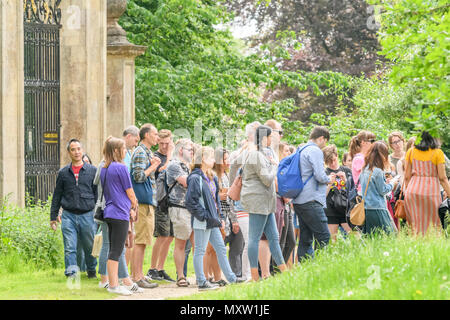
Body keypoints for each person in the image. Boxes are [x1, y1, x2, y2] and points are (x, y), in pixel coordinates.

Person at [185, 146, 240, 290]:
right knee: (200, 250)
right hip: (202, 221)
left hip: (213, 220)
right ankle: (202, 282)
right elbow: (191, 202)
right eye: (210, 157)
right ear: (202, 159)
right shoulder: (195, 177)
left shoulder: (211, 177)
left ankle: (232, 279)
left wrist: (220, 216)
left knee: (221, 249)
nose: (214, 160)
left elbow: (216, 200)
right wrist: (204, 216)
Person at [241, 125, 287, 281]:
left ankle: (284, 271)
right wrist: (276, 165)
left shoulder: (261, 154)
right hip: (258, 202)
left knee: (274, 238)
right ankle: (255, 276)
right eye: (269, 137)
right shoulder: (255, 155)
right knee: (254, 238)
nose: (271, 140)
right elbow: (267, 180)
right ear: (264, 138)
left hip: (266, 203)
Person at [50, 139, 98, 279]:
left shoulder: (92, 171)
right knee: (70, 247)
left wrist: (98, 214)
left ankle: (91, 271)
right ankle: (71, 273)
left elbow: (97, 195)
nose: (76, 152)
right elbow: (57, 196)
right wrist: (53, 217)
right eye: (73, 149)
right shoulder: (63, 172)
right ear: (69, 152)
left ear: (82, 150)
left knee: (89, 246)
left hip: (88, 215)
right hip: (68, 215)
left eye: (78, 149)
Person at [99, 137, 141, 295]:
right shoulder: (121, 167)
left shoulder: (105, 167)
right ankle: (114, 285)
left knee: (113, 248)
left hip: (109, 211)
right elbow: (129, 191)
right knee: (116, 250)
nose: (126, 151)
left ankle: (114, 283)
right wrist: (135, 204)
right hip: (120, 212)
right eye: (123, 149)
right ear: (116, 151)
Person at [292, 126, 334, 262]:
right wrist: (330, 179)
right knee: (324, 236)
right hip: (311, 199)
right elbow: (320, 176)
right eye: (325, 142)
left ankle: (306, 267)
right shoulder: (315, 150)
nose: (324, 145)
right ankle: (322, 266)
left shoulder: (301, 149)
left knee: (305, 237)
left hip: (299, 199)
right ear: (321, 138)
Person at [228, 121, 261, 281]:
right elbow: (233, 169)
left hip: (256, 204)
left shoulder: (259, 151)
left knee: (254, 240)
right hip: (243, 204)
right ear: (250, 135)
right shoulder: (242, 153)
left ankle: (254, 273)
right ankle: (249, 275)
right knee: (249, 240)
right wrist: (233, 188)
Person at [129, 124, 161, 288]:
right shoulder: (141, 152)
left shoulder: (146, 152)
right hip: (142, 203)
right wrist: (153, 167)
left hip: (147, 202)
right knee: (140, 240)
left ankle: (139, 274)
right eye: (155, 134)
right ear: (147, 135)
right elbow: (139, 176)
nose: (157, 137)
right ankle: (136, 277)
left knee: (143, 240)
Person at [205, 148, 241, 286]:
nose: (227, 162)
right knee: (210, 248)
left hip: (225, 215)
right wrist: (218, 197)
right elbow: (209, 195)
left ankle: (217, 277)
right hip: (215, 214)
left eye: (228, 159)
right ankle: (206, 276)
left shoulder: (226, 176)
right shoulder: (212, 175)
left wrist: (233, 219)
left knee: (218, 248)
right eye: (225, 159)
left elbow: (230, 200)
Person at [404, 131, 450, 235]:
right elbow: (442, 178)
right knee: (433, 226)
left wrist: (408, 191)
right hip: (431, 192)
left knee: (415, 227)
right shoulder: (438, 153)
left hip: (412, 192)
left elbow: (407, 177)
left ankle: (416, 248)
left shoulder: (411, 151)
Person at [148, 129, 176, 282]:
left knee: (170, 236)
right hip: (160, 201)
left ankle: (160, 268)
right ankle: (152, 269)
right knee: (162, 235)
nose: (165, 147)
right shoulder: (155, 156)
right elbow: (162, 172)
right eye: (163, 143)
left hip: (173, 202)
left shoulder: (173, 157)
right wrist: (170, 155)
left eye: (168, 144)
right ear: (158, 141)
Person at [166, 138, 194, 287]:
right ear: (181, 150)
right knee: (181, 243)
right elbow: (187, 182)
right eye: (190, 150)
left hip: (192, 209)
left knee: (197, 244)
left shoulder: (189, 166)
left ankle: (202, 275)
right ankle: (181, 276)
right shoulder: (174, 165)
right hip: (179, 207)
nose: (193, 153)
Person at [359, 141, 399, 235]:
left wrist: (384, 182)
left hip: (367, 208)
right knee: (390, 235)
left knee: (371, 237)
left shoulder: (365, 169)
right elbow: (383, 190)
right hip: (378, 208)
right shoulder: (378, 171)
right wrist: (392, 184)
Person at [322, 144, 354, 241]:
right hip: (330, 209)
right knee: (332, 240)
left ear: (337, 156)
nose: (332, 164)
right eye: (329, 162)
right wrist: (329, 184)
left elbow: (353, 192)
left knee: (354, 236)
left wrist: (345, 181)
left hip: (345, 209)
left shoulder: (346, 170)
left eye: (334, 160)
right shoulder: (324, 173)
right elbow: (323, 196)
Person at [121, 125, 140, 266]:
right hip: (123, 201)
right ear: (128, 136)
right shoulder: (120, 152)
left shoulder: (128, 153)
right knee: (125, 238)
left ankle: (125, 272)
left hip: (129, 200)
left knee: (130, 237)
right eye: (135, 140)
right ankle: (123, 274)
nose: (136, 143)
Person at [277, 142, 296, 268]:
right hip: (280, 205)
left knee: (291, 241)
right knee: (281, 240)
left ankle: (280, 267)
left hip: (288, 206)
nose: (288, 153)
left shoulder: (287, 168)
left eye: (289, 151)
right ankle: (275, 268)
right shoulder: (278, 167)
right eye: (285, 151)